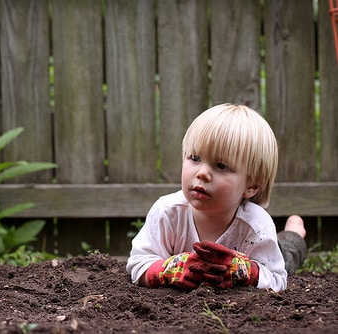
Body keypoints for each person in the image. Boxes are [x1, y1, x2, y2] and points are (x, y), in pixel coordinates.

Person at [126, 103, 307, 292]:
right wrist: (171, 270)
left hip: (264, 253)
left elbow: (277, 279)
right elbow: (138, 263)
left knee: (288, 254)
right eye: (195, 158)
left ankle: (294, 232)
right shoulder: (168, 212)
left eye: (221, 166)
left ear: (251, 185)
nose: (202, 173)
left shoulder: (258, 227)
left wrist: (244, 270)